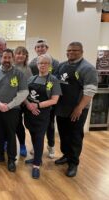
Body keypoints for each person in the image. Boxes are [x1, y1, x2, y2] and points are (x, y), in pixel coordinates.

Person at [54, 42, 98, 177]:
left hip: (77, 109)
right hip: (62, 107)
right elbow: (55, 82)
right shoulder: (62, 66)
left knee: (75, 136)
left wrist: (79, 108)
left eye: (74, 50)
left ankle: (73, 163)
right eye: (69, 50)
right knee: (63, 133)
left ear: (81, 51)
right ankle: (66, 155)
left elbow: (90, 91)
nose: (71, 52)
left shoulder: (87, 68)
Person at [0, 49, 28, 172]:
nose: (7, 60)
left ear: (13, 59)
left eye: (9, 58)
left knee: (11, 134)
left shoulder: (19, 74)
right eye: (4, 58)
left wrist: (9, 106)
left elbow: (24, 92)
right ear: (1, 59)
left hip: (13, 110)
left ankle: (11, 159)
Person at [23, 54, 61, 179]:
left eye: (45, 63)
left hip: (42, 114)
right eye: (40, 63)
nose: (42, 65)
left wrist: (37, 105)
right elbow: (24, 95)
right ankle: (37, 158)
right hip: (30, 113)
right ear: (37, 65)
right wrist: (29, 105)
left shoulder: (53, 80)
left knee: (39, 138)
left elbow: (54, 100)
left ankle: (36, 166)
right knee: (33, 135)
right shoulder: (31, 79)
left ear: (49, 65)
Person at [28, 39, 60, 159]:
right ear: (35, 50)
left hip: (49, 100)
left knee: (50, 126)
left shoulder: (55, 63)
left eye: (42, 46)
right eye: (38, 47)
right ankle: (37, 146)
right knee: (35, 127)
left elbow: (55, 83)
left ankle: (51, 145)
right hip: (34, 102)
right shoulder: (32, 64)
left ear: (47, 47)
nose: (40, 49)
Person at [13, 46, 33, 157]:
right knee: (11, 124)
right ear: (14, 55)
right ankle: (7, 142)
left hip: (24, 101)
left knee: (21, 125)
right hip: (12, 102)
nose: (20, 55)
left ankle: (22, 145)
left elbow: (29, 86)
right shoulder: (10, 67)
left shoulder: (28, 69)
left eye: (23, 54)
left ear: (26, 56)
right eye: (18, 53)